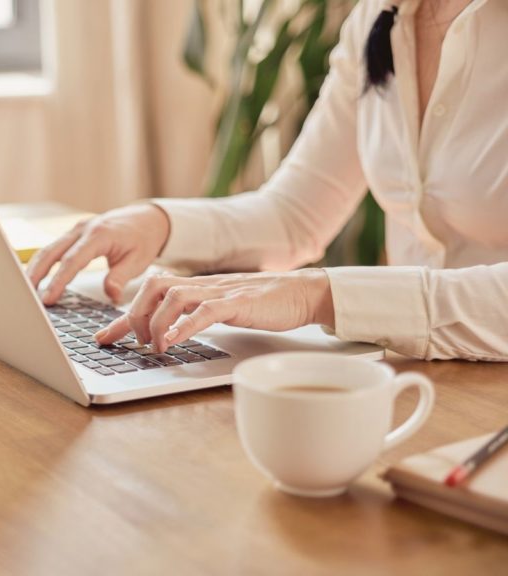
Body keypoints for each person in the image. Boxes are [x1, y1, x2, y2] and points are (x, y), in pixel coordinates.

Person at [28, 0, 508, 361]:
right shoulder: (379, 17)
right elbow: (295, 215)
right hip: (421, 382)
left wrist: (315, 296)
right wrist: (158, 223)